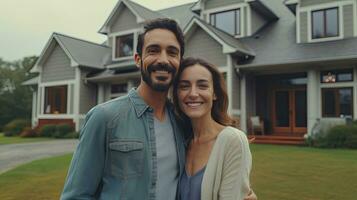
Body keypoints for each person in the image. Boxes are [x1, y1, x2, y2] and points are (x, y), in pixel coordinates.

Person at [61, 18, 257, 200]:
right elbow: (76, 195)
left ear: (179, 61)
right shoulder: (104, 118)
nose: (163, 59)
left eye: (172, 52)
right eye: (154, 50)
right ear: (138, 59)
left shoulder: (182, 124)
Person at [172, 57, 254, 200]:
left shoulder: (233, 140)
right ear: (177, 94)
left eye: (202, 86)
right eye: (184, 86)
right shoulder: (180, 142)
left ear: (215, 93)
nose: (192, 93)